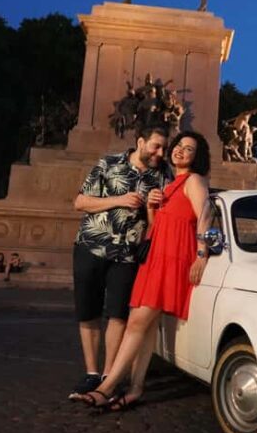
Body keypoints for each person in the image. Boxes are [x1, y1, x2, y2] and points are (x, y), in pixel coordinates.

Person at [80, 131, 212, 410]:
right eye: (179, 145)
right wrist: (153, 207)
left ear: (197, 157)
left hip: (174, 258)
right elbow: (156, 227)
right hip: (156, 258)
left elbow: (205, 214)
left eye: (189, 149)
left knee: (136, 323)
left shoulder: (194, 180)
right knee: (147, 326)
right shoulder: (170, 184)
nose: (180, 150)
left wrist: (202, 254)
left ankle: (106, 387)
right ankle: (136, 388)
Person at [68, 124, 171, 402]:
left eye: (164, 148)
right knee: (88, 312)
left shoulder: (163, 175)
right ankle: (91, 372)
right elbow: (80, 202)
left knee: (118, 315)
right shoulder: (108, 163)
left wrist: (153, 206)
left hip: (128, 255)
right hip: (91, 246)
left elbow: (164, 217)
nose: (160, 153)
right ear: (141, 142)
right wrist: (119, 200)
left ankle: (107, 375)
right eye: (156, 146)